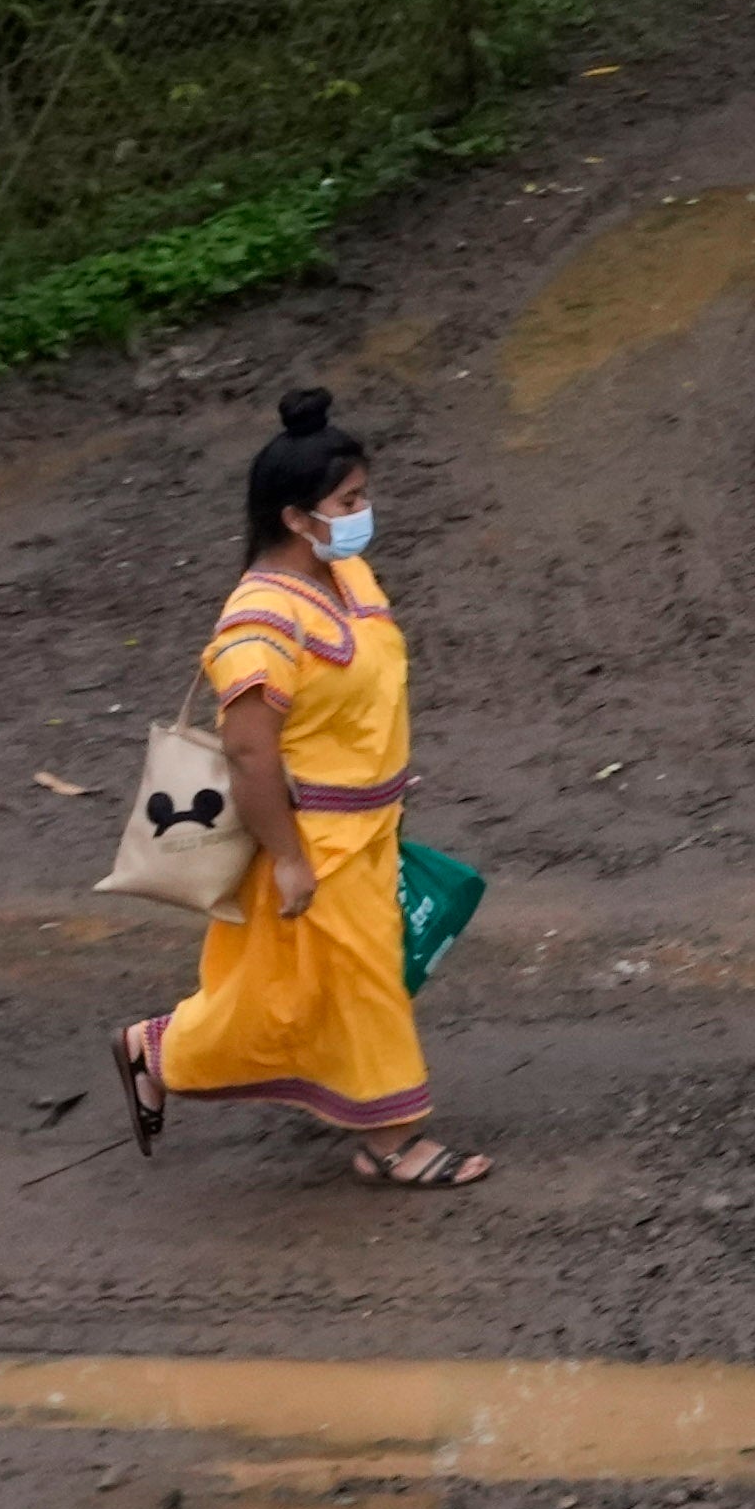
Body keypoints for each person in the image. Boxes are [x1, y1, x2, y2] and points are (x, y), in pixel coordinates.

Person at [118, 391, 485, 1188]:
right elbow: (251, 756)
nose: (363, 513)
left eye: (361, 496)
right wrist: (287, 857)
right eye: (348, 501)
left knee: (287, 995)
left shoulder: (346, 573)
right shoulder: (258, 623)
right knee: (363, 984)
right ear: (296, 517)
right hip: (317, 836)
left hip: (370, 823)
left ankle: (158, 1048)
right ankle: (392, 1138)